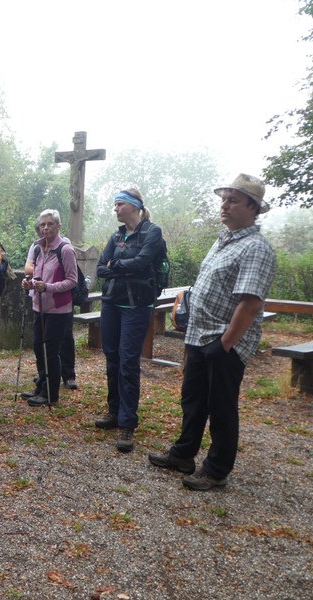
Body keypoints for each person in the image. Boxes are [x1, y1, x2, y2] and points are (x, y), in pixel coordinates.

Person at [149, 174, 276, 490]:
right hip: (199, 334)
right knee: (193, 400)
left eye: (233, 200)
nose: (225, 205)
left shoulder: (256, 248)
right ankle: (183, 454)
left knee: (221, 406)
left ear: (253, 207)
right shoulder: (224, 240)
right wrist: (192, 335)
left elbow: (250, 303)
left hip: (224, 340)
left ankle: (217, 470)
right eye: (224, 199)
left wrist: (226, 343)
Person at [94, 188, 165, 453]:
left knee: (127, 361)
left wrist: (116, 266)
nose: (115, 208)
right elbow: (101, 268)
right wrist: (119, 266)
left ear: (134, 206)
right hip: (112, 302)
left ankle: (127, 423)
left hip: (136, 305)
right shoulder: (117, 235)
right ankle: (114, 412)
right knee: (111, 356)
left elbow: (143, 262)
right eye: (115, 204)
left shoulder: (152, 232)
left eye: (119, 204)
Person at [20, 209, 77, 407]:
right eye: (42, 224)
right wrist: (29, 283)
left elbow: (72, 280)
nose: (45, 228)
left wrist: (49, 287)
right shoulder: (37, 248)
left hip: (58, 310)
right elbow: (35, 274)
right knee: (38, 347)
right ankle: (41, 387)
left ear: (58, 226)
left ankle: (51, 394)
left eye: (50, 224)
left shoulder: (65, 250)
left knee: (50, 351)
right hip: (39, 306)